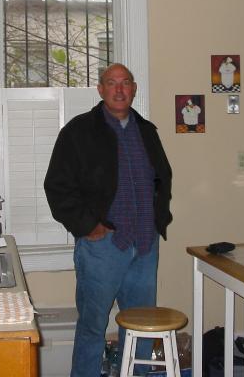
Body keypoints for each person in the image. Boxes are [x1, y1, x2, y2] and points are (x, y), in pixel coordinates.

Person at [44, 63, 173, 377]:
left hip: (145, 246)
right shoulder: (78, 131)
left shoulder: (147, 131)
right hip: (102, 248)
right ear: (100, 89)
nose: (119, 89)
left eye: (125, 82)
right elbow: (57, 186)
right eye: (111, 83)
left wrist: (159, 219)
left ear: (134, 89)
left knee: (141, 327)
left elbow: (163, 177)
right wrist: (88, 226)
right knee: (93, 327)